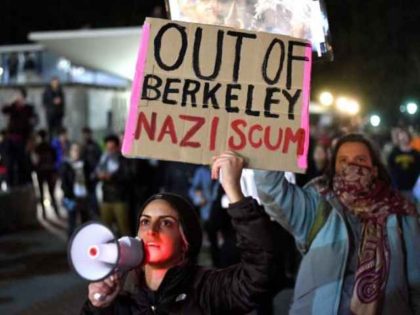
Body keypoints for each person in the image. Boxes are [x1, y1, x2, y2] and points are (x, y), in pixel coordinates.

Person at [81, 152, 276, 314]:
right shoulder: (122, 302)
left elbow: (260, 273)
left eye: (166, 223)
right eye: (145, 221)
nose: (151, 230)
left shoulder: (208, 290)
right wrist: (97, 308)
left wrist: (234, 192)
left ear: (185, 241)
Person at [254, 133, 420, 315]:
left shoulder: (401, 211)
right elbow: (271, 189)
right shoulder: (317, 205)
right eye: (343, 160)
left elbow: (415, 280)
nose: (352, 165)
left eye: (360, 159)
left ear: (374, 168)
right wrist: (276, 133)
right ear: (333, 168)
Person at [1, 87, 37, 187]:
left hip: (22, 139)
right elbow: (4, 110)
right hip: (11, 139)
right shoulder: (13, 107)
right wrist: (12, 102)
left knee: (22, 163)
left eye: (19, 95)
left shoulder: (28, 108)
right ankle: (9, 183)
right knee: (9, 163)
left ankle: (23, 183)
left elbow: (33, 121)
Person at [96, 135, 130, 236]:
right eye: (108, 148)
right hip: (106, 198)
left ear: (116, 147)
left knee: (123, 228)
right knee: (105, 229)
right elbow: (97, 172)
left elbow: (127, 177)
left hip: (120, 199)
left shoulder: (123, 160)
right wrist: (99, 175)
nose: (109, 150)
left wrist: (112, 177)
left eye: (112, 148)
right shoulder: (103, 159)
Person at [60, 143, 91, 237]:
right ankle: (71, 243)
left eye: (78, 150)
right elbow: (64, 183)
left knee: (85, 221)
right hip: (72, 197)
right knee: (72, 222)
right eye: (74, 150)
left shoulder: (84, 164)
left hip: (84, 196)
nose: (76, 152)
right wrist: (70, 195)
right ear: (70, 152)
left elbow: (89, 179)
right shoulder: (66, 165)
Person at [388, 128, 420, 202]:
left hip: (413, 188)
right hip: (398, 188)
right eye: (401, 136)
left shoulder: (415, 153)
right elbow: (390, 168)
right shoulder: (394, 153)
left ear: (409, 137)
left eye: (405, 136)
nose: (403, 138)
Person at [33, 129, 59, 218]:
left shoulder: (37, 148)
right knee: (52, 193)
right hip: (49, 172)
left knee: (41, 192)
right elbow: (55, 159)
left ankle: (44, 213)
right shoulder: (50, 147)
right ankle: (56, 211)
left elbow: (35, 161)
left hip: (41, 173)